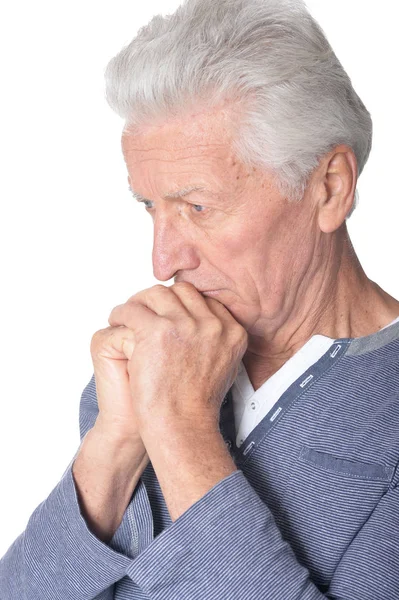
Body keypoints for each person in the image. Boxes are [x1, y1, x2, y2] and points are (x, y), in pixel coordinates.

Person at [1, 0, 399, 598]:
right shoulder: (160, 357)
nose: (161, 263)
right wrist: (115, 447)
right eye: (150, 207)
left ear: (329, 188)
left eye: (197, 207)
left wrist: (183, 433)